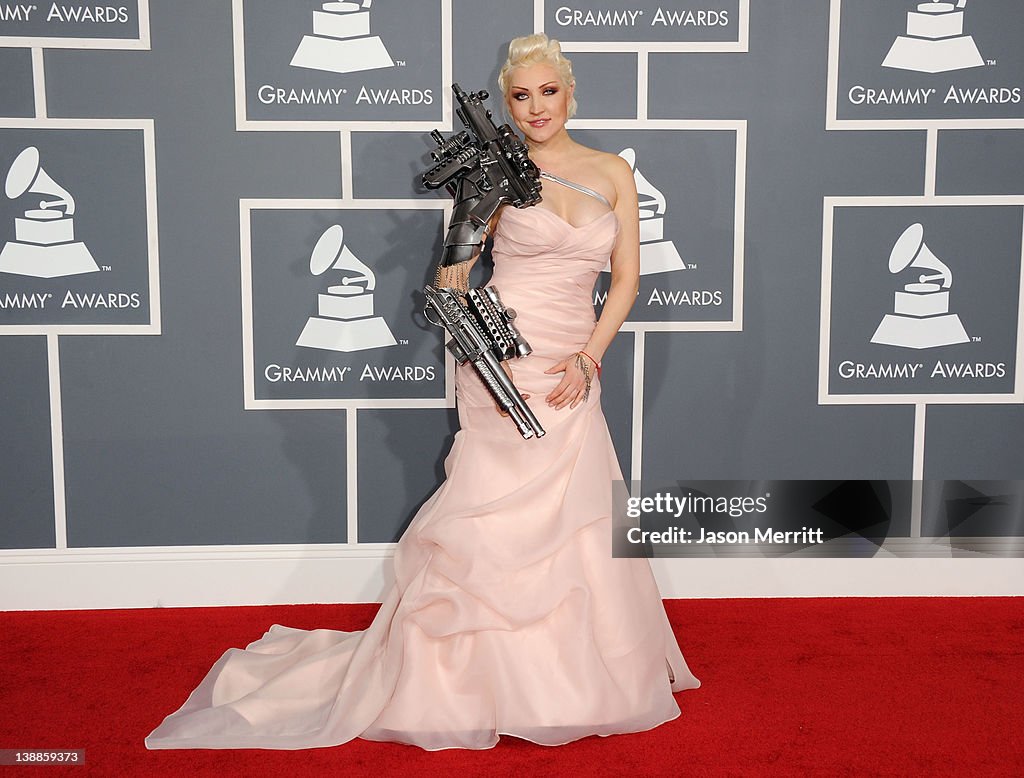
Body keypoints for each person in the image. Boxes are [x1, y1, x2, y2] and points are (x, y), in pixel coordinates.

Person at [145, 33, 700, 753]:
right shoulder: (492, 175)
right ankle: (469, 681)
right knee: (487, 514)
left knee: (579, 516)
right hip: (501, 363)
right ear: (507, 103)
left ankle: (571, 679)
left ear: (571, 93)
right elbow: (451, 278)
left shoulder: (612, 174)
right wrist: (478, 344)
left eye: (548, 91)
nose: (536, 107)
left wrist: (590, 360)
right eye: (521, 96)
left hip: (571, 363)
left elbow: (623, 279)